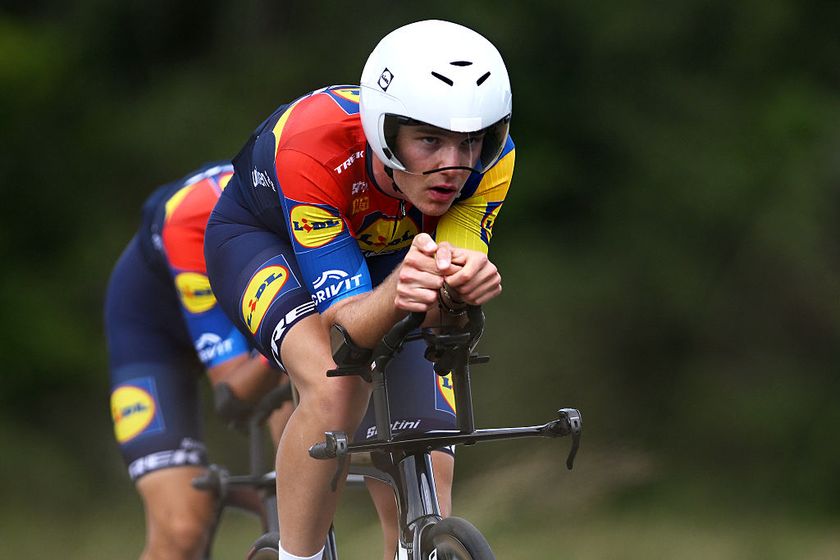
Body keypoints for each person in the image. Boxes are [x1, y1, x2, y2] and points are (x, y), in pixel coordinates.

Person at [204, 19, 515, 560]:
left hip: (387, 252)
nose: (454, 166)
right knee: (335, 389)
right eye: (429, 140)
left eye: (470, 142)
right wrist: (404, 289)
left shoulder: (493, 160)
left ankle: (413, 545)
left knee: (426, 434)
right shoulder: (313, 147)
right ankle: (299, 556)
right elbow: (345, 328)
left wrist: (463, 289)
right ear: (383, 133)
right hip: (266, 242)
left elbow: (446, 290)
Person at [105, 162, 290, 560]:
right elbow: (233, 392)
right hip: (156, 340)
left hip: (248, 302)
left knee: (299, 490)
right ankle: (226, 494)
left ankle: (270, 505)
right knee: (182, 530)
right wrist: (292, 339)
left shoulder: (317, 195)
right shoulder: (190, 220)